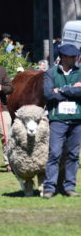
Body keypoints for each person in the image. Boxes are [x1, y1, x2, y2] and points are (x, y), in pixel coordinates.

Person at [42, 44, 81, 198]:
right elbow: (48, 94)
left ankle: (69, 187)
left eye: (75, 56)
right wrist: (73, 90)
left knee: (73, 155)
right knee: (55, 154)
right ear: (64, 57)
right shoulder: (50, 73)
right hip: (57, 120)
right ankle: (49, 188)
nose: (75, 59)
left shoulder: (80, 72)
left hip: (77, 120)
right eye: (72, 57)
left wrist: (63, 90)